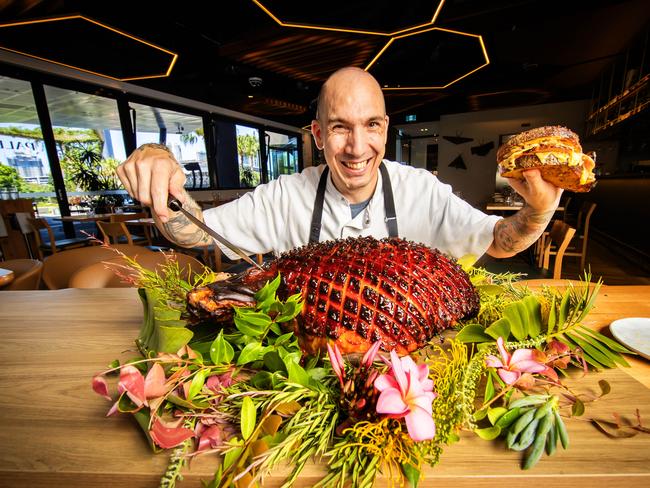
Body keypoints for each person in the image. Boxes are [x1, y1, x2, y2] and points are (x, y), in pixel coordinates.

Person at [117, 67, 561, 262]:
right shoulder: (285, 197)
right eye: (339, 128)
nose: (357, 146)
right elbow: (195, 231)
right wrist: (166, 185)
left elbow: (499, 242)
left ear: (385, 130)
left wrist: (539, 211)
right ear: (317, 135)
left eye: (370, 125)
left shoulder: (421, 190)